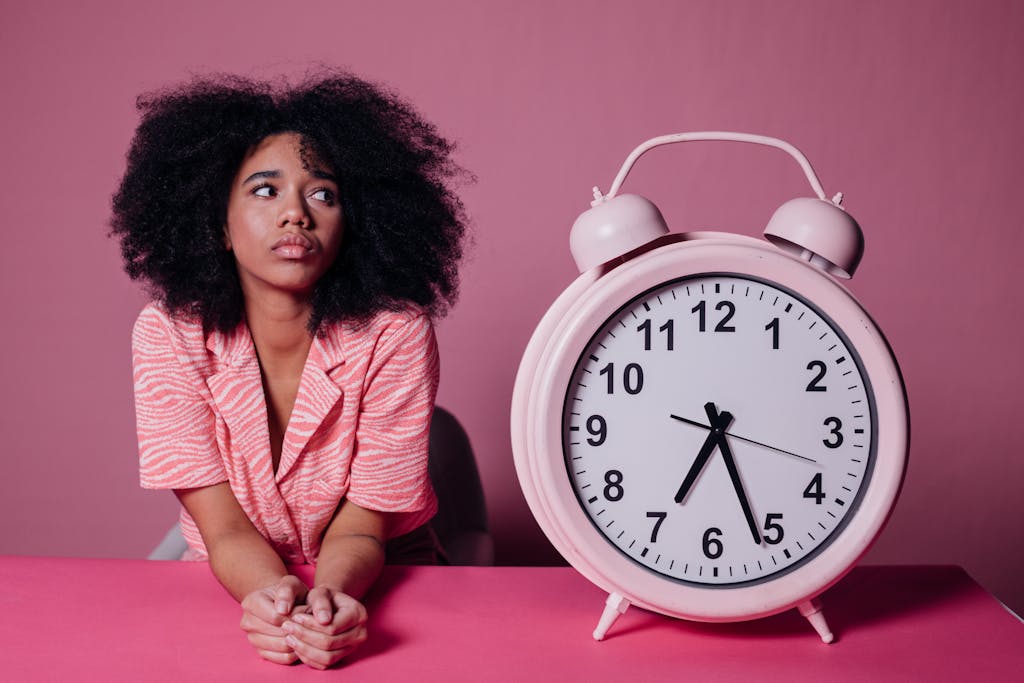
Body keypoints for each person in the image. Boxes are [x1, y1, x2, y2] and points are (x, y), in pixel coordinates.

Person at [111, 72, 467, 669]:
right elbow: (221, 529)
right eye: (264, 191)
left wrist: (329, 602)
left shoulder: (395, 333)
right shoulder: (169, 334)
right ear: (218, 225)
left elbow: (362, 529)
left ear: (353, 222)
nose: (296, 215)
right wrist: (270, 598)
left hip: (377, 576)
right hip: (234, 579)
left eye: (323, 194)